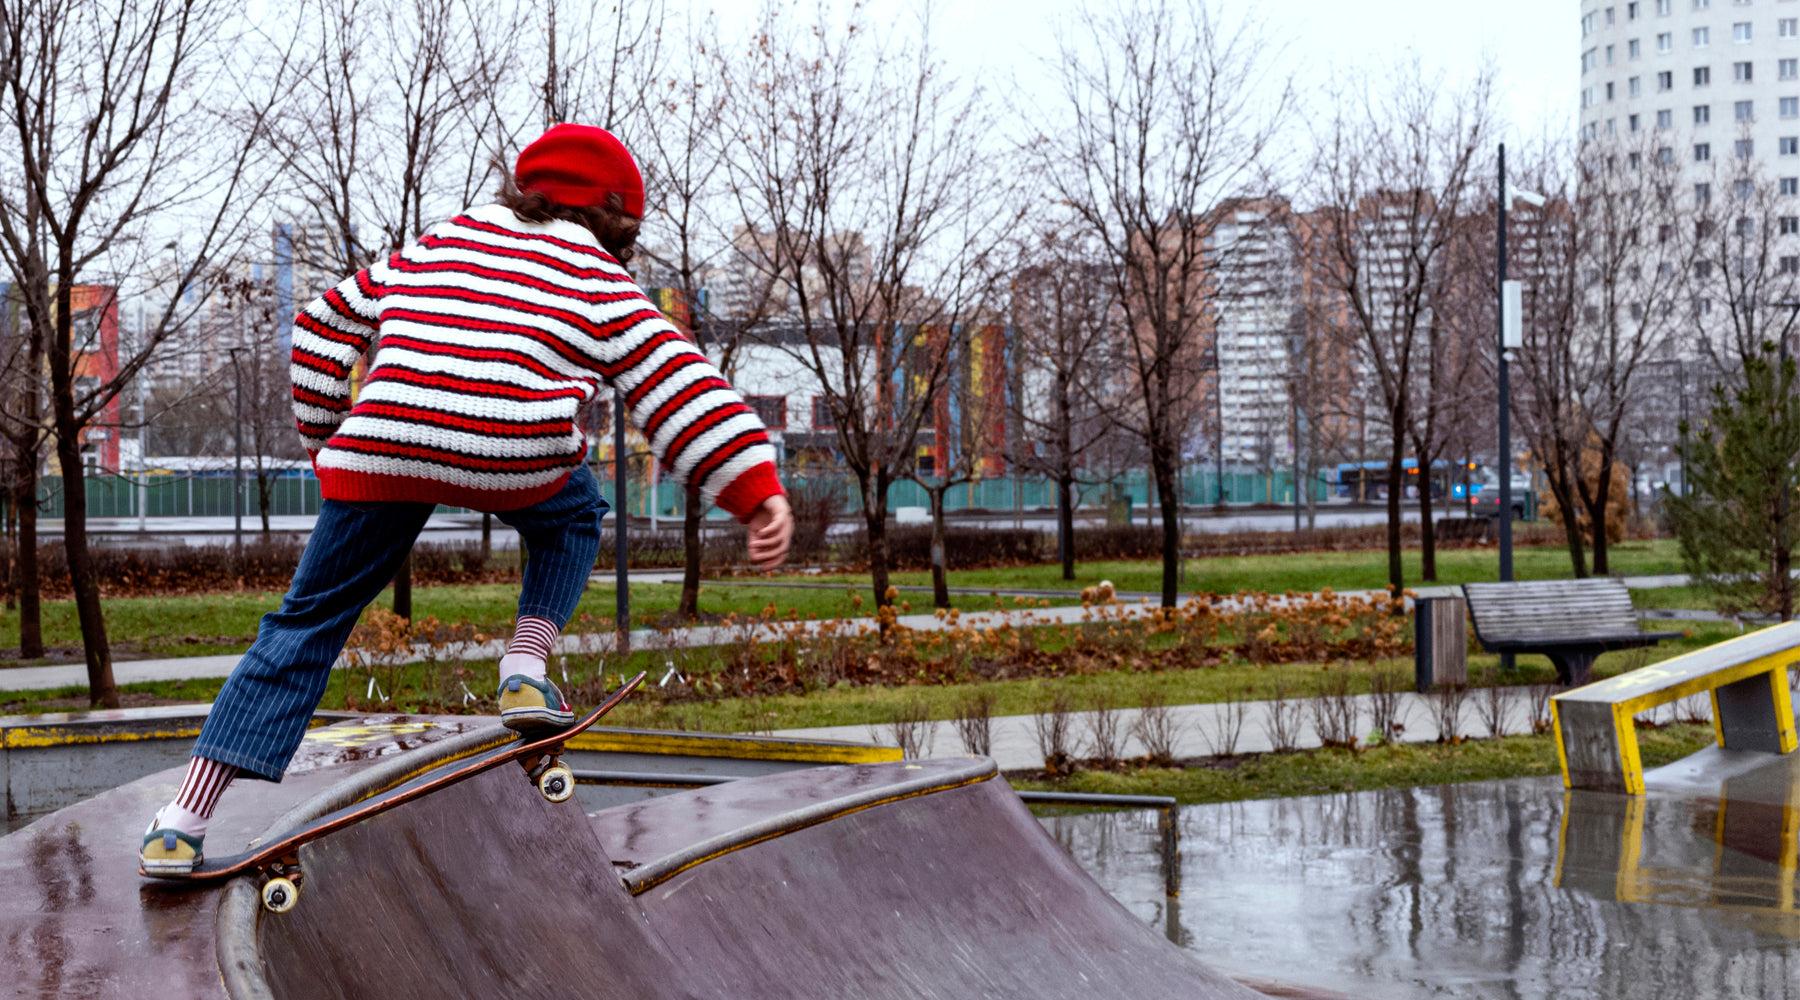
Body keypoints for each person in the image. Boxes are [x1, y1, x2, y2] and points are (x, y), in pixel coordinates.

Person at [139, 124, 793, 874]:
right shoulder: (596, 275)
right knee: (575, 513)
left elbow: (320, 326)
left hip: (382, 452)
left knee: (306, 622)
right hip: (515, 458)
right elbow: (672, 378)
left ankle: (181, 821)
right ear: (609, 219)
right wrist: (752, 488)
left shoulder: (438, 242)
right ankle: (523, 665)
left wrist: (330, 448)